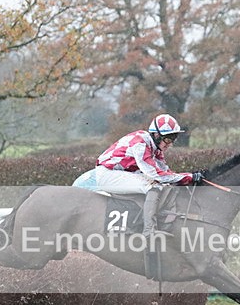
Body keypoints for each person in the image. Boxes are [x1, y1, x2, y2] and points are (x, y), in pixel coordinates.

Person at [74, 113, 203, 277]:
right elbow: (156, 175)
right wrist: (189, 177)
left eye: (173, 139)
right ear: (156, 135)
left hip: (120, 172)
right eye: (168, 139)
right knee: (153, 185)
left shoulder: (155, 148)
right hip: (107, 174)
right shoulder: (140, 143)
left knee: (159, 185)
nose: (170, 143)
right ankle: (149, 233)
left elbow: (166, 172)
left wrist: (188, 179)